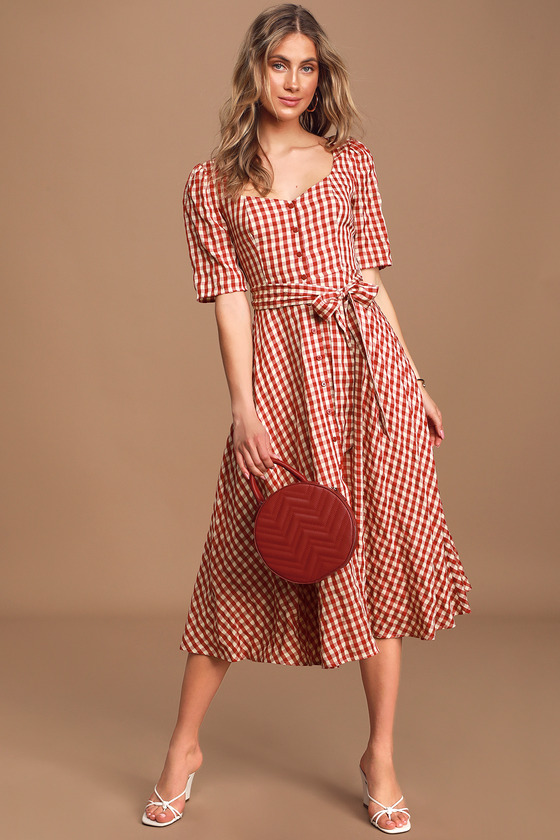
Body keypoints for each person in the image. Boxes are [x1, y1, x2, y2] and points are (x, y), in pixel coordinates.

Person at [142, 3, 471, 833]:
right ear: (253, 72)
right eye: (279, 64)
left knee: (376, 562)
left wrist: (417, 377)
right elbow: (229, 300)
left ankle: (380, 756)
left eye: (307, 66)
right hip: (282, 382)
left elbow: (368, 278)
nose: (294, 81)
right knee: (241, 562)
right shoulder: (210, 181)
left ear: (322, 76)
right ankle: (183, 749)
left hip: (368, 375)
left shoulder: (352, 163)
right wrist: (243, 407)